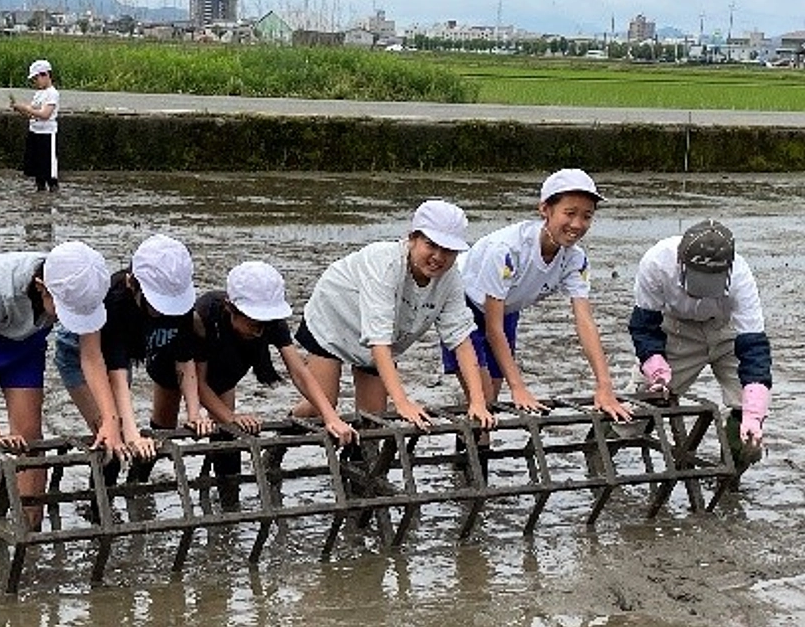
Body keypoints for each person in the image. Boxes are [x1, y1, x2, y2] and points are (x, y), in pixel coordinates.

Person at [0, 241, 113, 524]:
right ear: (41, 286)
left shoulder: (84, 287)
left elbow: (91, 358)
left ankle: (30, 528)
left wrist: (110, 422)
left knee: (30, 436)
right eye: (64, 311)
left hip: (27, 336)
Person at [440, 168, 632, 423]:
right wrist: (518, 388)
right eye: (569, 213)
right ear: (545, 210)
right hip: (463, 302)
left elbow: (585, 321)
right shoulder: (508, 250)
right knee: (483, 395)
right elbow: (492, 330)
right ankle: (470, 459)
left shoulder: (575, 258)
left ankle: (471, 455)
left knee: (492, 397)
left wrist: (605, 386)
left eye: (587, 216)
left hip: (506, 307)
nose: (577, 225)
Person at [291, 200, 496, 433]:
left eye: (448, 250)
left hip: (381, 335)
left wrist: (478, 402)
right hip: (334, 317)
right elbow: (379, 341)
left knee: (374, 420)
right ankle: (285, 435)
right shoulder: (386, 265)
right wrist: (402, 402)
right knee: (322, 407)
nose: (438, 257)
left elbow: (461, 339)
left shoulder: (450, 279)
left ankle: (359, 466)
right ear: (412, 239)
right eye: (431, 245)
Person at [54, 234, 215, 483]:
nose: (163, 313)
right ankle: (100, 511)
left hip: (120, 358)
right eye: (156, 303)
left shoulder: (179, 300)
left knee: (124, 434)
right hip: (81, 352)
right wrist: (131, 433)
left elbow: (184, 358)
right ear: (133, 284)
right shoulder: (115, 301)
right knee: (111, 438)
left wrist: (194, 413)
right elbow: (115, 373)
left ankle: (134, 494)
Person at [629, 219, 771, 477]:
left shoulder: (740, 277)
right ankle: (598, 456)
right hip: (677, 326)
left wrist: (753, 411)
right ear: (681, 263)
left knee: (749, 412)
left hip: (726, 329)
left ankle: (730, 481)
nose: (703, 290)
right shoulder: (657, 262)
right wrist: (655, 364)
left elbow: (754, 349)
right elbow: (644, 326)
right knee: (641, 404)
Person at [194, 260, 358, 443]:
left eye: (265, 325)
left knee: (230, 440)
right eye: (254, 324)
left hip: (228, 372)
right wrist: (231, 417)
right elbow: (196, 381)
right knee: (166, 424)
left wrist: (331, 417)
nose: (260, 331)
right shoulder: (204, 315)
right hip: (181, 371)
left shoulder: (272, 320)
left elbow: (299, 372)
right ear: (230, 308)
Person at [10, 59, 60, 192]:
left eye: (35, 78)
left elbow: (45, 114)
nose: (34, 82)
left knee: (49, 171)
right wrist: (19, 108)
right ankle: (40, 194)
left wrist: (26, 108)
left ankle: (52, 192)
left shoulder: (52, 93)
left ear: (46, 75)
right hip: (34, 132)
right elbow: (31, 114)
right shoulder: (38, 94)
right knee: (37, 170)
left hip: (47, 134)